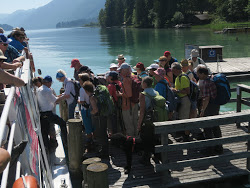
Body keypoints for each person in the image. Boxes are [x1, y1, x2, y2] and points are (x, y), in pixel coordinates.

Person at [196, 65, 223, 154]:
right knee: (215, 126)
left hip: (209, 106)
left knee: (207, 126)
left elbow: (206, 98)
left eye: (198, 73)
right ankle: (219, 147)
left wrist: (202, 110)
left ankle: (209, 148)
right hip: (215, 105)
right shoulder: (210, 79)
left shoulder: (205, 83)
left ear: (203, 74)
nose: (197, 75)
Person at [37, 76, 68, 151]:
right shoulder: (47, 90)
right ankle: (66, 141)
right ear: (48, 82)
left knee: (45, 131)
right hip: (48, 113)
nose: (51, 84)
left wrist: (61, 95)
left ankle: (47, 147)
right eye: (51, 83)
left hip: (42, 114)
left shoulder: (39, 89)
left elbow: (51, 98)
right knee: (62, 123)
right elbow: (55, 100)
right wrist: (65, 96)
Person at [83, 81, 109, 158]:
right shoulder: (96, 94)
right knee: (104, 133)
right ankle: (105, 151)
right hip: (103, 117)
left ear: (86, 90)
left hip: (98, 119)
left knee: (100, 135)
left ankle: (104, 153)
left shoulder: (92, 97)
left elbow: (95, 109)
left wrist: (90, 113)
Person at [137, 77, 159, 165]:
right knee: (154, 138)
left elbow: (142, 111)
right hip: (156, 119)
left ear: (145, 84)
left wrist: (139, 124)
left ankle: (146, 158)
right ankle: (157, 155)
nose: (141, 84)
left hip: (147, 120)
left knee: (146, 139)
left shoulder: (143, 94)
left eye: (142, 82)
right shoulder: (155, 92)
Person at [171, 62, 191, 140]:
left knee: (184, 119)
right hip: (181, 100)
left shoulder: (182, 77)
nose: (172, 72)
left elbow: (187, 91)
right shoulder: (178, 77)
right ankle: (183, 136)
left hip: (185, 100)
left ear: (176, 69)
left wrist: (176, 91)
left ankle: (186, 137)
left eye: (172, 70)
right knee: (181, 118)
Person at [118, 63, 138, 137]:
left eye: (121, 70)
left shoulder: (126, 80)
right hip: (135, 103)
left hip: (127, 105)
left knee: (129, 124)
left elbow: (129, 95)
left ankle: (131, 142)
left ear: (125, 70)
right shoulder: (134, 76)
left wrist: (120, 94)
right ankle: (137, 139)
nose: (120, 72)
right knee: (135, 122)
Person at [78, 73, 95, 152]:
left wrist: (77, 100)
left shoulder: (82, 89)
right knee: (93, 126)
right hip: (92, 108)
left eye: (80, 79)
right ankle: (94, 141)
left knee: (88, 128)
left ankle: (89, 144)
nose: (79, 81)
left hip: (85, 110)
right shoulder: (92, 86)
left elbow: (82, 101)